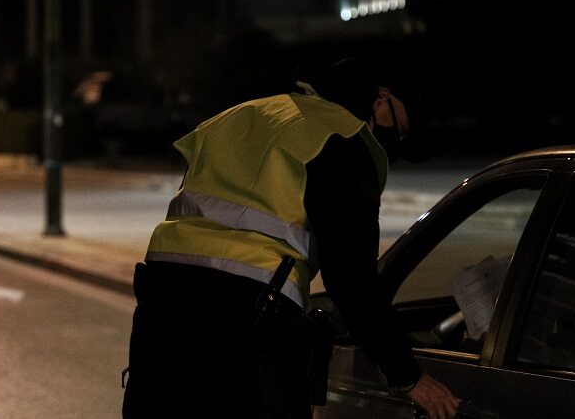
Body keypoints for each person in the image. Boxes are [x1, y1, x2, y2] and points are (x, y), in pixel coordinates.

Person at [121, 58, 460, 419]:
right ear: (381, 98)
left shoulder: (242, 114)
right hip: (247, 319)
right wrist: (407, 376)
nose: (396, 143)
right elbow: (351, 277)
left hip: (161, 306)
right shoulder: (342, 137)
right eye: (402, 130)